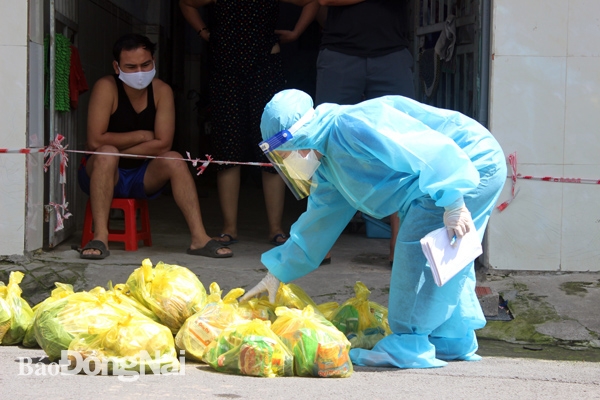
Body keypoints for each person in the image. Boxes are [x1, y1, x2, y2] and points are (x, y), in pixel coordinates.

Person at [241, 89, 506, 369]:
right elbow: (319, 223)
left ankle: (408, 344)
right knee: (446, 254)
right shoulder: (328, 163)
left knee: (418, 252)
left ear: (306, 133)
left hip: (467, 164)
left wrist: (452, 198)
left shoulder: (353, 126)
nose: (293, 161)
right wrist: (277, 273)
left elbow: (429, 151)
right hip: (459, 171)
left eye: (291, 151)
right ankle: (452, 338)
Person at [77, 33, 232, 260]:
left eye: (145, 64)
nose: (140, 72)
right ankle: (100, 237)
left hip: (143, 175)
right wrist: (141, 135)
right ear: (116, 66)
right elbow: (95, 141)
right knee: (105, 154)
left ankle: (200, 238)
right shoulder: (106, 87)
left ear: (154, 62)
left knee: (175, 159)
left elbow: (163, 144)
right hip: (101, 172)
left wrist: (118, 148)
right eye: (131, 67)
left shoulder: (161, 91)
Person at [179, 0, 319, 247]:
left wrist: (296, 32)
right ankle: (229, 228)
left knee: (272, 144)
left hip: (265, 68)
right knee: (227, 146)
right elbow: (186, 3)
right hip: (226, 69)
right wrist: (203, 32)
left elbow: (311, 2)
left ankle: (275, 229)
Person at [316, 0, 415, 263]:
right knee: (324, 145)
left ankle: (399, 244)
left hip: (391, 53)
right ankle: (318, 240)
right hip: (340, 53)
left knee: (401, 148)